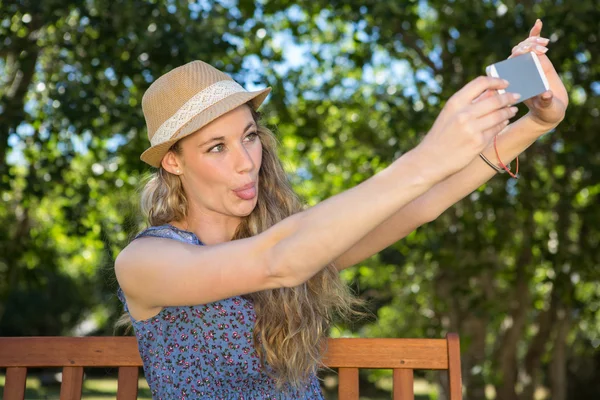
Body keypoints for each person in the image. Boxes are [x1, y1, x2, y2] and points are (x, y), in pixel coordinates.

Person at [115, 19, 566, 400]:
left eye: (249, 136)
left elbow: (420, 204)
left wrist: (536, 123)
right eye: (216, 147)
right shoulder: (145, 262)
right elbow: (275, 262)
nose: (245, 161)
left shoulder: (293, 238)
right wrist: (426, 157)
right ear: (173, 162)